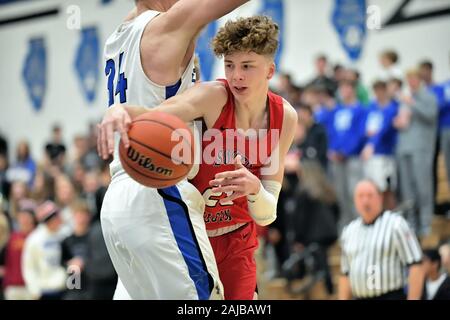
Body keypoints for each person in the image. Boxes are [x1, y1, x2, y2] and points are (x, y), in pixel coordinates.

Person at [99, 15, 297, 299]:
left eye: (247, 66)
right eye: (229, 65)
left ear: (269, 70)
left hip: (237, 240)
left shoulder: (284, 117)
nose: (236, 75)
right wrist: (121, 111)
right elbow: (156, 116)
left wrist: (254, 188)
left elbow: (266, 215)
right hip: (191, 235)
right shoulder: (213, 96)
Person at [339, 180, 424, 300]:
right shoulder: (349, 231)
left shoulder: (396, 224)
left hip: (390, 296)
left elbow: (416, 266)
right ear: (354, 200)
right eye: (360, 196)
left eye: (370, 195)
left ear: (380, 198)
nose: (365, 201)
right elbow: (345, 274)